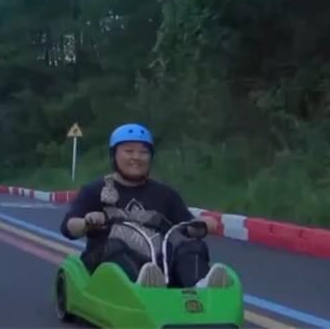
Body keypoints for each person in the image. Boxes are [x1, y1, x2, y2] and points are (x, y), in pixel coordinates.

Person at [60, 123, 232, 289]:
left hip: (158, 261)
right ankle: (143, 287)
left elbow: (186, 227)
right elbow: (69, 227)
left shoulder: (165, 194)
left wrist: (202, 225)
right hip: (109, 261)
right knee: (116, 246)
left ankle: (199, 285)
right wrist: (87, 222)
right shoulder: (95, 190)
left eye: (143, 152)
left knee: (191, 246)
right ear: (114, 155)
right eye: (129, 151)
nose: (137, 157)